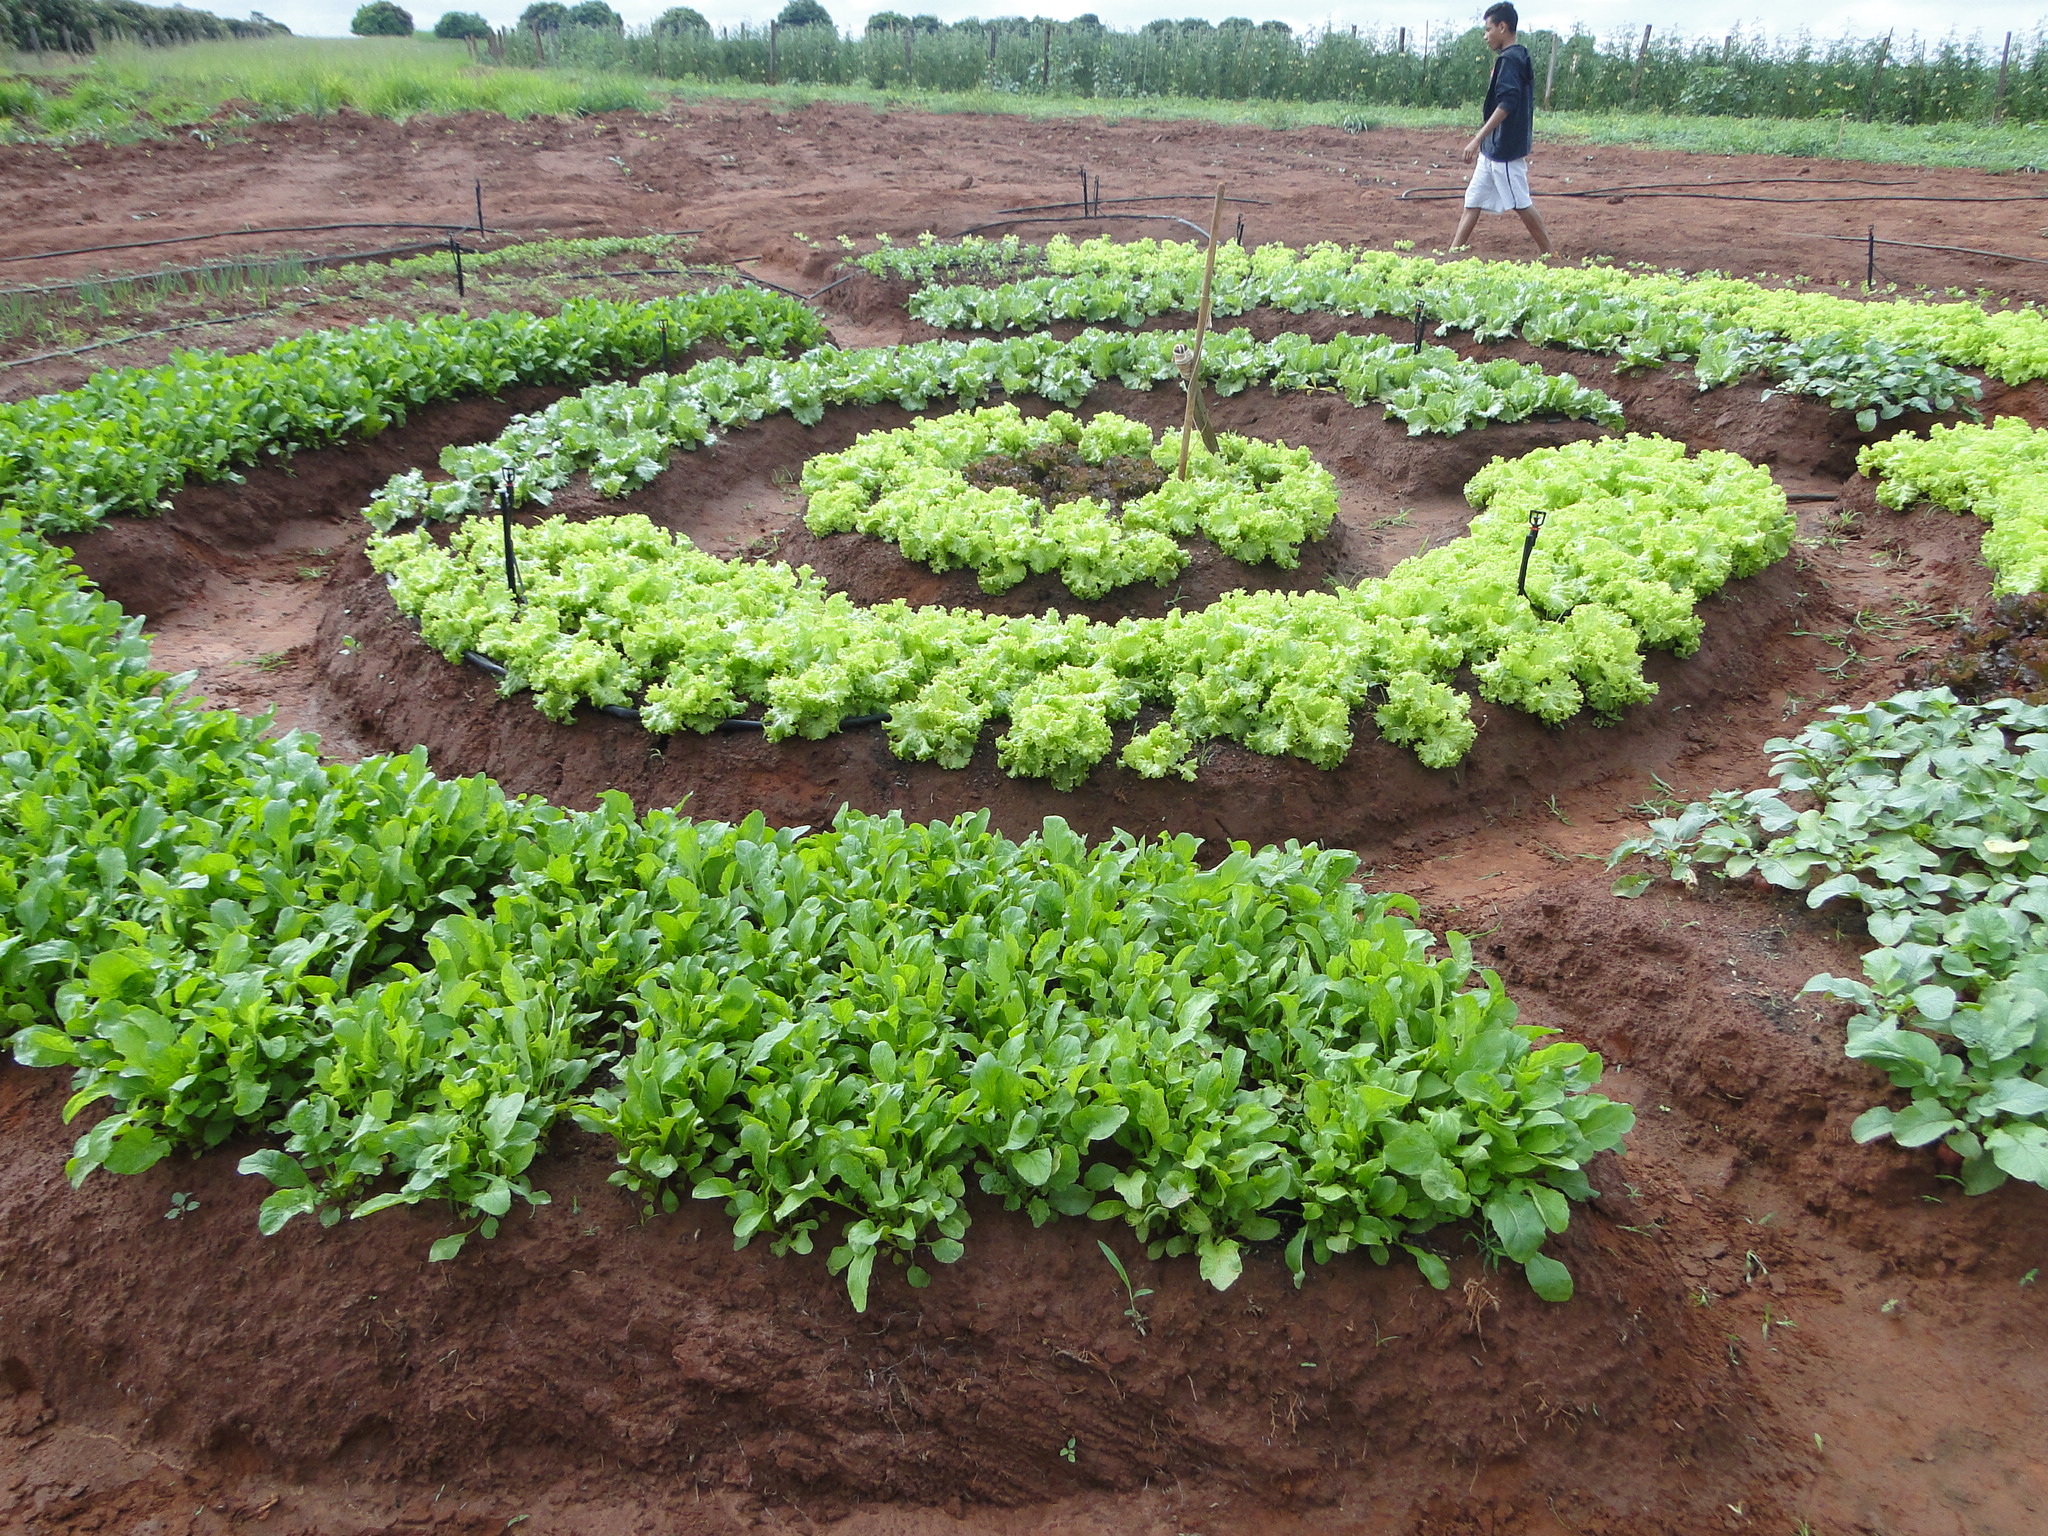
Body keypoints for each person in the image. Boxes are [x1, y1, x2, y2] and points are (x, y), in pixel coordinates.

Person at [1451, 3, 1555, 257]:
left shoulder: (1509, 60)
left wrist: (1477, 139)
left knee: (1521, 203)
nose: (1485, 36)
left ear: (1502, 27)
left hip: (1504, 148)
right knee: (1473, 200)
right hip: (1493, 148)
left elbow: (1507, 104)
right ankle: (1452, 252)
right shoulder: (1517, 56)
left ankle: (1551, 254)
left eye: (1488, 30)